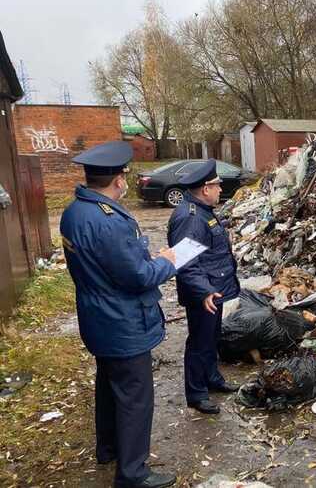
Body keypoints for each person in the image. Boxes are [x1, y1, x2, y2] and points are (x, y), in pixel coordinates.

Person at [60, 141, 177, 488]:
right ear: (117, 179)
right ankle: (133, 473)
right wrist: (166, 263)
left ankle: (108, 448)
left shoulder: (74, 212)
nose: (126, 181)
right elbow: (137, 278)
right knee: (135, 398)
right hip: (122, 321)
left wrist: (144, 259)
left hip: (97, 316)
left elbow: (108, 264)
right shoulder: (109, 221)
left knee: (109, 387)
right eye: (125, 175)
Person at [167, 159, 240, 414]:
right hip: (203, 293)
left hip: (213, 289)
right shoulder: (190, 218)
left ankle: (212, 378)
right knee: (199, 342)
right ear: (205, 188)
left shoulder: (202, 210)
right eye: (217, 185)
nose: (221, 189)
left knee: (211, 338)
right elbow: (186, 263)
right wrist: (204, 291)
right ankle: (196, 393)